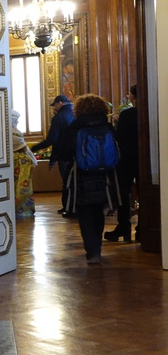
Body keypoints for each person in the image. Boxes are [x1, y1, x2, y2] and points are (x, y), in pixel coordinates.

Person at [57, 94, 120, 264]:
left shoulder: (76, 127)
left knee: (85, 213)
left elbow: (63, 152)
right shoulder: (107, 126)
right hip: (105, 177)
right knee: (99, 211)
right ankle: (97, 247)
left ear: (79, 109)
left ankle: (91, 251)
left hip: (82, 177)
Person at [32, 94, 75, 216]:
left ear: (60, 103)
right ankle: (73, 207)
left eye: (55, 105)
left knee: (66, 182)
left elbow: (53, 140)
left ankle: (68, 207)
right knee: (74, 181)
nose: (54, 108)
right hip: (77, 154)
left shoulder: (59, 117)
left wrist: (34, 148)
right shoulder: (75, 114)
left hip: (64, 155)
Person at [106, 84, 138, 242]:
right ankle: (144, 229)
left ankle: (124, 227)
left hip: (127, 159)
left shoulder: (127, 114)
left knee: (124, 194)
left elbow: (119, 138)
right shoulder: (152, 111)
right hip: (146, 159)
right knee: (145, 192)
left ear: (133, 96)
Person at [11, 109, 37, 218]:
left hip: (16, 163)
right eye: (16, 120)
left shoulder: (7, 132)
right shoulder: (15, 133)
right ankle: (22, 209)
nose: (17, 122)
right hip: (21, 164)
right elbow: (24, 148)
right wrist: (33, 160)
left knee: (15, 186)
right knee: (21, 187)